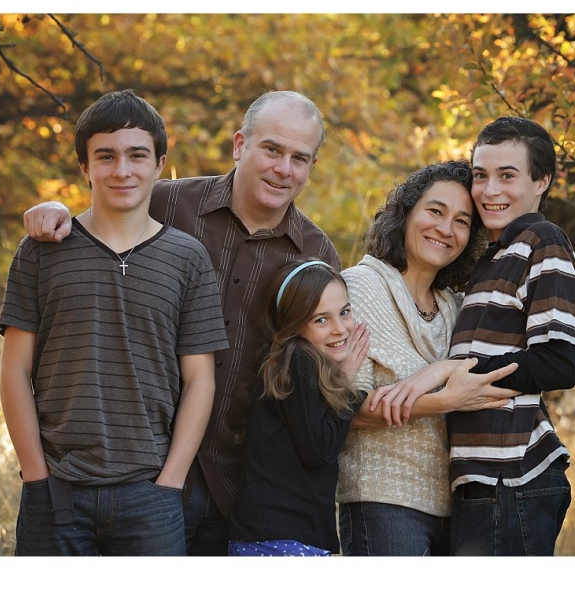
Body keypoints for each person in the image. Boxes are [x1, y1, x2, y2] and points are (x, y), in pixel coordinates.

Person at [22, 90, 339, 555]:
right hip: (136, 471)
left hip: (238, 484)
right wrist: (52, 212)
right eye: (271, 149)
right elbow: (100, 218)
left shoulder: (317, 255)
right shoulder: (166, 203)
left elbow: (320, 372)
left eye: (300, 158)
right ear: (239, 145)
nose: (283, 169)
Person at [0, 90, 228, 555]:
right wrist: (36, 476)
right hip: (56, 490)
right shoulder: (41, 252)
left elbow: (200, 379)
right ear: (85, 167)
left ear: (160, 164)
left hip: (151, 495)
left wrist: (171, 482)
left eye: (136, 156)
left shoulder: (188, 259)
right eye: (106, 156)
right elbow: (14, 372)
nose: (122, 170)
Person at [379, 117, 575, 556]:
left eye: (508, 176)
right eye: (481, 176)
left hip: (514, 479)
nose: (490, 191)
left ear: (541, 181)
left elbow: (559, 362)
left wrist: (447, 371)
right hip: (480, 481)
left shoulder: (542, 241)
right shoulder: (489, 262)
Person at [336, 160, 519, 556]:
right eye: (435, 211)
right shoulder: (358, 288)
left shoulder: (455, 308)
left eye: (461, 221)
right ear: (406, 214)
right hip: (383, 501)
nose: (445, 229)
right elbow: (343, 409)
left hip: (455, 506)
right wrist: (448, 400)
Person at [228, 261, 369, 556]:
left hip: (282, 537)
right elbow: (320, 449)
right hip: (280, 540)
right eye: (321, 320)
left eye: (344, 312)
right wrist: (347, 384)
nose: (340, 329)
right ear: (292, 325)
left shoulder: (293, 364)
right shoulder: (298, 361)